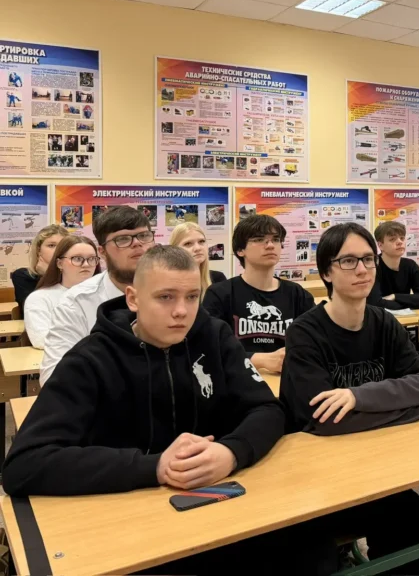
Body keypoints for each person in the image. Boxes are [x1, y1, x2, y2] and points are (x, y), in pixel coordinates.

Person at [3, 246, 330, 575]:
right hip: (125, 529)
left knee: (312, 549)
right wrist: (155, 467)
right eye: (165, 297)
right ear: (133, 299)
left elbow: (268, 409)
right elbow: (24, 464)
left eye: (192, 297)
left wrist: (232, 452)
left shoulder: (215, 337)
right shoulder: (90, 360)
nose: (181, 311)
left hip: (218, 515)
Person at [281, 223, 419, 576]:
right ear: (326, 272)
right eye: (348, 261)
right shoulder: (304, 332)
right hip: (320, 479)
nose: (361, 269)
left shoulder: (384, 323)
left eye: (367, 259)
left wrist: (357, 396)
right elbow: (325, 421)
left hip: (382, 467)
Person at [40, 207, 155, 385]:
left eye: (144, 236)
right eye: (123, 239)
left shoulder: (176, 292)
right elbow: (54, 377)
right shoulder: (77, 302)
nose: (137, 243)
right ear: (102, 252)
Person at [202, 214, 313, 376]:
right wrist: (259, 359)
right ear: (240, 250)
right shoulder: (220, 294)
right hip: (237, 380)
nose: (270, 245)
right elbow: (208, 347)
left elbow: (314, 342)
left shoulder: (297, 294)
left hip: (286, 381)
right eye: (260, 239)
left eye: (276, 239)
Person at [23, 235, 99, 347]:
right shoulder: (40, 298)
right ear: (59, 263)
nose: (86, 264)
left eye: (92, 259)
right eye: (77, 259)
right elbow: (41, 340)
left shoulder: (106, 294)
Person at [10, 224, 68, 314]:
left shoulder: (72, 275)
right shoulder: (22, 275)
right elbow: (34, 310)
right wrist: (47, 276)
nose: (58, 250)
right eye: (51, 245)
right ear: (39, 250)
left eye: (62, 246)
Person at [371, 221, 419, 310]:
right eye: (392, 239)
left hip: (407, 317)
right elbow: (375, 303)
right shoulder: (372, 266)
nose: (399, 242)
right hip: (379, 317)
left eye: (402, 238)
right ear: (380, 245)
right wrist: (409, 302)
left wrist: (395, 296)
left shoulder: (410, 265)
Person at [170, 221, 226, 296]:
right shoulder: (167, 282)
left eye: (201, 241)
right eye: (188, 243)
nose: (197, 248)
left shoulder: (218, 279)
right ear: (175, 249)